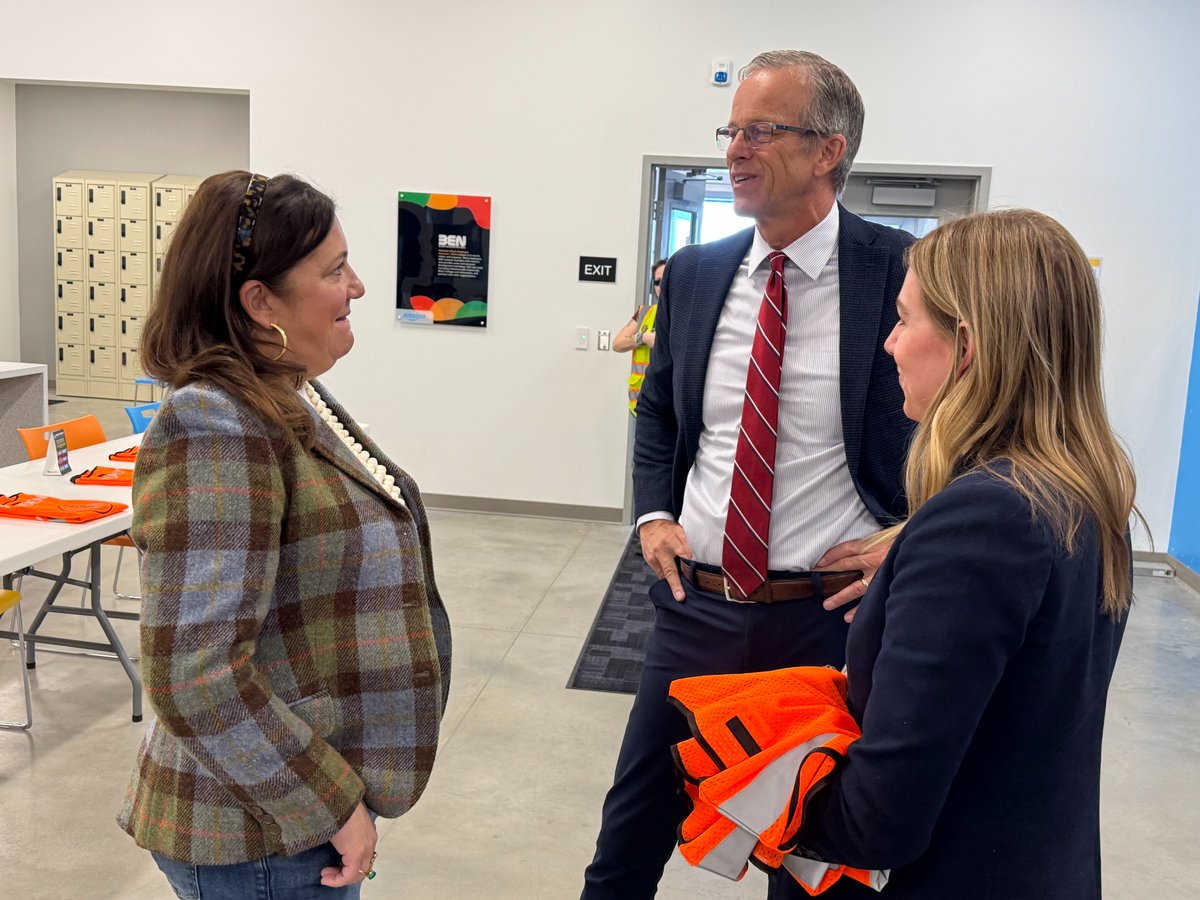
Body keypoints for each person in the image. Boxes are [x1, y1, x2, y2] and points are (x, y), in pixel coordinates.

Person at [582, 50, 915, 899]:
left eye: (760, 130)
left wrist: (914, 536)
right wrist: (652, 512)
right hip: (697, 609)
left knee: (815, 861)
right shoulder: (694, 275)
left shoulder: (905, 273)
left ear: (828, 149)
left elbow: (969, 420)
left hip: (828, 623)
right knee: (628, 840)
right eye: (731, 130)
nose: (734, 148)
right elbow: (656, 411)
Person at [780, 208, 1139, 898]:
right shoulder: (1079, 493)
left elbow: (879, 819)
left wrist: (762, 791)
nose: (888, 344)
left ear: (966, 345)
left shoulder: (982, 521)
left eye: (906, 319)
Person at [116, 170, 452, 900]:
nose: (358, 286)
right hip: (257, 835)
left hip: (278, 821)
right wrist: (329, 803)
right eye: (334, 271)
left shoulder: (286, 392)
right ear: (259, 301)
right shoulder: (216, 423)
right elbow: (193, 673)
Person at [612, 258, 666, 415]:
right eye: (657, 282)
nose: (661, 286)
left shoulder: (684, 314)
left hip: (669, 405)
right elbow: (617, 344)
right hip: (643, 403)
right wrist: (642, 338)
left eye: (666, 280)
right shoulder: (644, 313)